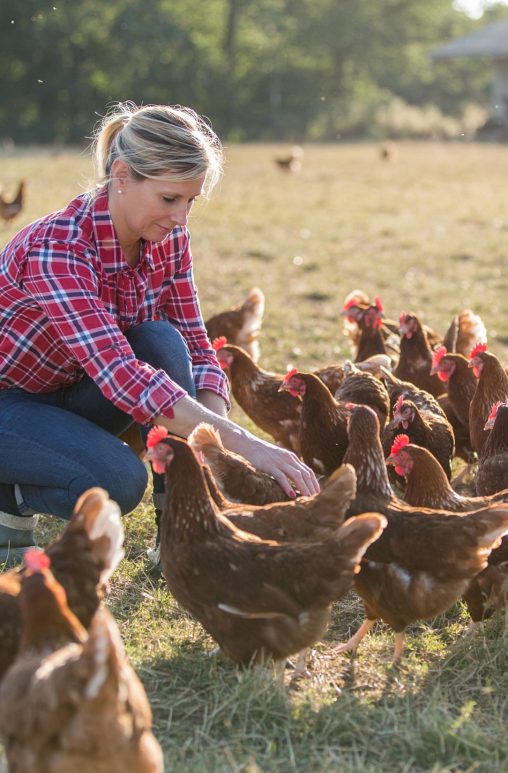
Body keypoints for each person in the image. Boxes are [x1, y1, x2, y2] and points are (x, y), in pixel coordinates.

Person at [0, 102, 319, 568]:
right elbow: (121, 375)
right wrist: (244, 443)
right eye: (170, 199)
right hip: (10, 402)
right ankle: (10, 499)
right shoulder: (59, 249)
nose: (181, 218)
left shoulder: (166, 238)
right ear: (122, 176)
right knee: (116, 481)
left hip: (66, 390)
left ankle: (181, 534)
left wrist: (213, 446)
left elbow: (195, 346)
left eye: (190, 201)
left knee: (161, 340)